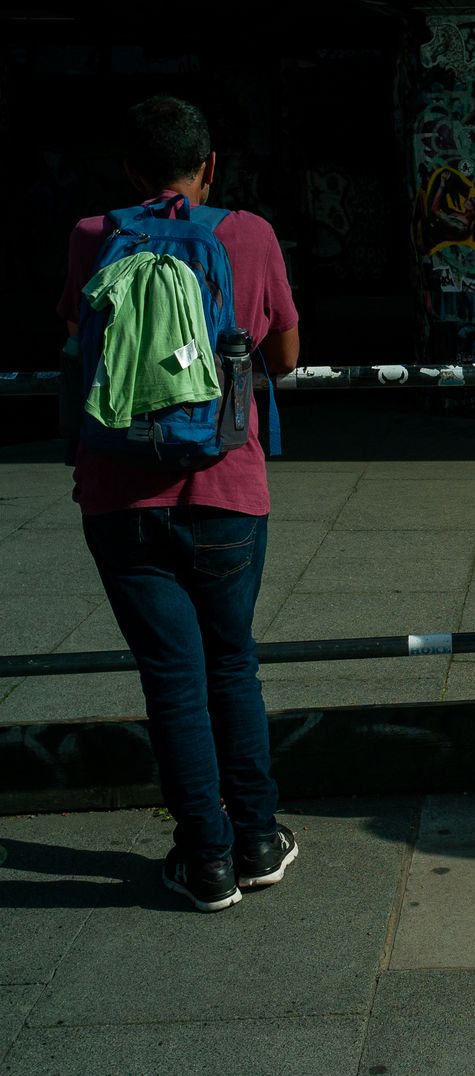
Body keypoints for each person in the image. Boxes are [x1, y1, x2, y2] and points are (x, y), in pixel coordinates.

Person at [56, 96, 302, 909]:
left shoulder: (94, 236)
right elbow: (287, 355)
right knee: (232, 663)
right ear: (211, 166)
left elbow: (73, 338)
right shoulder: (251, 234)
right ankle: (261, 839)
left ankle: (206, 861)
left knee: (172, 678)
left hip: (120, 497)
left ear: (129, 170)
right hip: (227, 490)